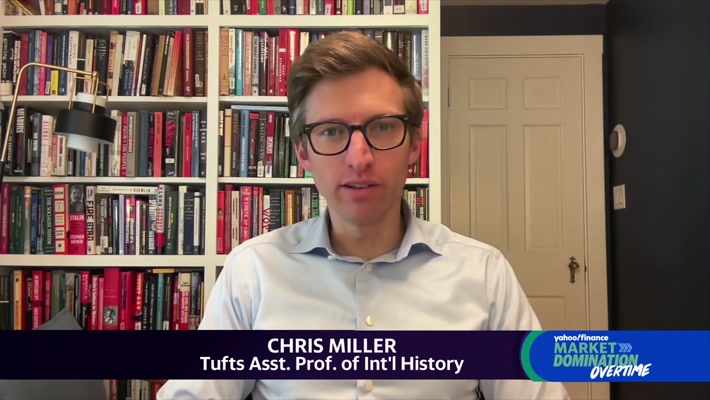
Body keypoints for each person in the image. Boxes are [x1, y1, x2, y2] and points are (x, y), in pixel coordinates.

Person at [157, 31, 570, 400]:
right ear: (303, 152)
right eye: (331, 131)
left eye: (383, 127)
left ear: (414, 144)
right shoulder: (253, 272)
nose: (359, 158)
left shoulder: (483, 274)